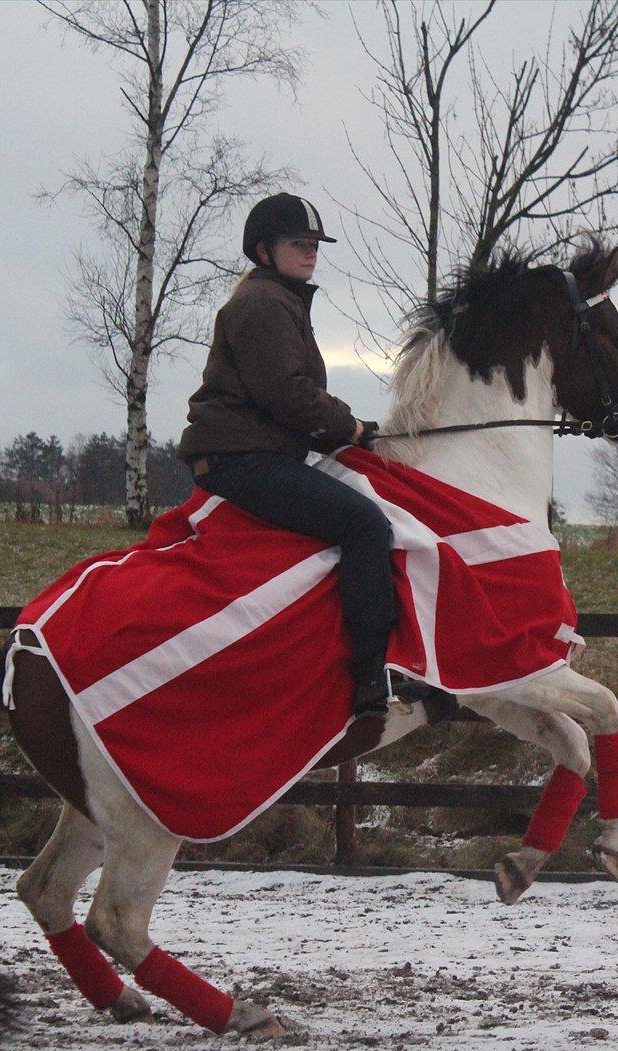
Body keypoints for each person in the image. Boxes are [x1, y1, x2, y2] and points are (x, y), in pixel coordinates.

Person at [178, 192, 425, 722]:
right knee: (364, 524)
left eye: (315, 244)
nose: (311, 253)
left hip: (258, 454)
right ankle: (370, 675)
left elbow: (291, 401)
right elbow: (288, 394)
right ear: (265, 252)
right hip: (243, 459)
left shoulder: (279, 301)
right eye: (299, 244)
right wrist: (351, 426)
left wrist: (351, 432)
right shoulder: (264, 304)